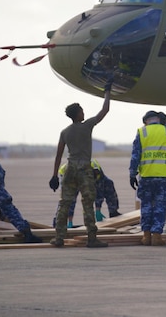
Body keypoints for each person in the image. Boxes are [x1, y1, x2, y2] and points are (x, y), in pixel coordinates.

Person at [49, 84, 112, 248]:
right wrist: (107, 92)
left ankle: (59, 238)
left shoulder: (65, 132)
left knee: (65, 203)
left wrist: (55, 175)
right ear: (78, 114)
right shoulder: (87, 126)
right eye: (82, 111)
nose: (84, 113)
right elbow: (104, 111)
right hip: (84, 169)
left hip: (69, 168)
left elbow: (58, 155)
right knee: (87, 203)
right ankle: (92, 238)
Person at [130, 111, 166, 246]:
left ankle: (146, 236)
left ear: (146, 121)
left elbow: (135, 155)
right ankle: (157, 237)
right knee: (160, 206)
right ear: (159, 119)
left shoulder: (142, 132)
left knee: (146, 206)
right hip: (164, 176)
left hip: (146, 176)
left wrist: (132, 173)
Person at [52, 159, 121, 228]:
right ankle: (58, 222)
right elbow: (71, 200)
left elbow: (99, 190)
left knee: (108, 184)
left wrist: (98, 210)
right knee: (67, 199)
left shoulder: (97, 172)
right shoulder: (72, 175)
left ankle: (113, 211)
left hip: (84, 171)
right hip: (68, 175)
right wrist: (70, 221)